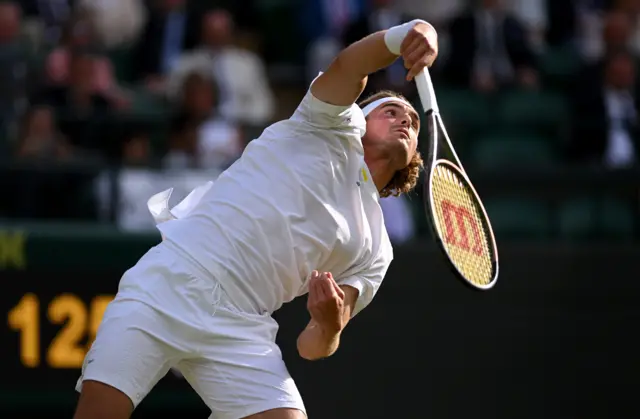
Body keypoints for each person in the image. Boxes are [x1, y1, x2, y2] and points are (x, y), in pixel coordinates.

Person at [73, 19, 439, 419]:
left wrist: (330, 327)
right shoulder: (328, 124)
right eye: (391, 111)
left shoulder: (376, 249)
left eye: (414, 123)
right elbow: (351, 66)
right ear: (360, 117)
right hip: (170, 280)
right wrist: (409, 33)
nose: (406, 121)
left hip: (241, 325)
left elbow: (310, 346)